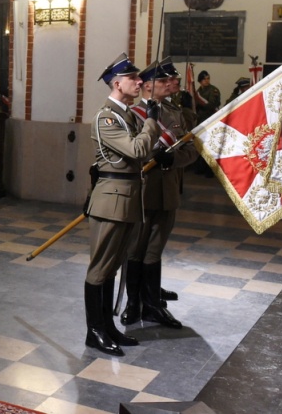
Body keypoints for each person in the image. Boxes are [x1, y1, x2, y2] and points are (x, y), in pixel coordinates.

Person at [83, 53, 159, 356]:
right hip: (111, 201)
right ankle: (95, 331)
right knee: (100, 269)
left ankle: (108, 326)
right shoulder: (106, 117)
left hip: (126, 199)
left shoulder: (126, 114)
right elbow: (139, 149)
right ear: (117, 83)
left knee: (113, 267)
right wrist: (152, 120)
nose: (140, 82)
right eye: (133, 78)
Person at [120, 61, 197, 330]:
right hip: (142, 190)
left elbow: (192, 149)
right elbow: (127, 152)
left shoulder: (176, 115)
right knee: (135, 248)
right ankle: (133, 304)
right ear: (148, 85)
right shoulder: (132, 114)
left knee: (154, 250)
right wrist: (154, 156)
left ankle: (152, 305)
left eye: (172, 80)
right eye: (165, 81)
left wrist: (171, 159)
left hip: (168, 190)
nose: (172, 84)